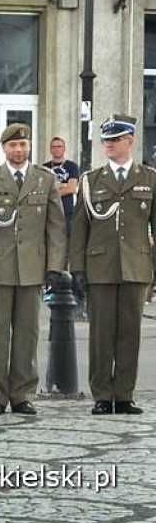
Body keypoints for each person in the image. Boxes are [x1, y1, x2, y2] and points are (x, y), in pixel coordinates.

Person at [0, 123, 65, 416]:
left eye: (23, 145)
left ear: (29, 147)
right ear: (4, 148)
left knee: (28, 335)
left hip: (32, 269)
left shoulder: (45, 179)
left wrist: (54, 267)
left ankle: (23, 394)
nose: (19, 151)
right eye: (13, 146)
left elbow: (56, 227)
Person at [71, 115, 154, 415]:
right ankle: (103, 395)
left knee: (131, 333)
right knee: (101, 335)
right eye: (106, 139)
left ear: (129, 141)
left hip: (136, 267)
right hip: (100, 268)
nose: (109, 144)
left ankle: (124, 394)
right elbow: (79, 228)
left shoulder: (149, 179)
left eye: (115, 139)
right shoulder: (92, 181)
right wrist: (77, 269)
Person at [43, 136, 79, 243]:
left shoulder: (72, 166)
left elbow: (71, 189)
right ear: (50, 149)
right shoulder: (45, 168)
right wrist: (63, 186)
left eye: (59, 146)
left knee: (67, 241)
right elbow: (43, 190)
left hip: (67, 210)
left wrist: (53, 190)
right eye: (54, 147)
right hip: (49, 209)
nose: (57, 149)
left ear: (64, 148)